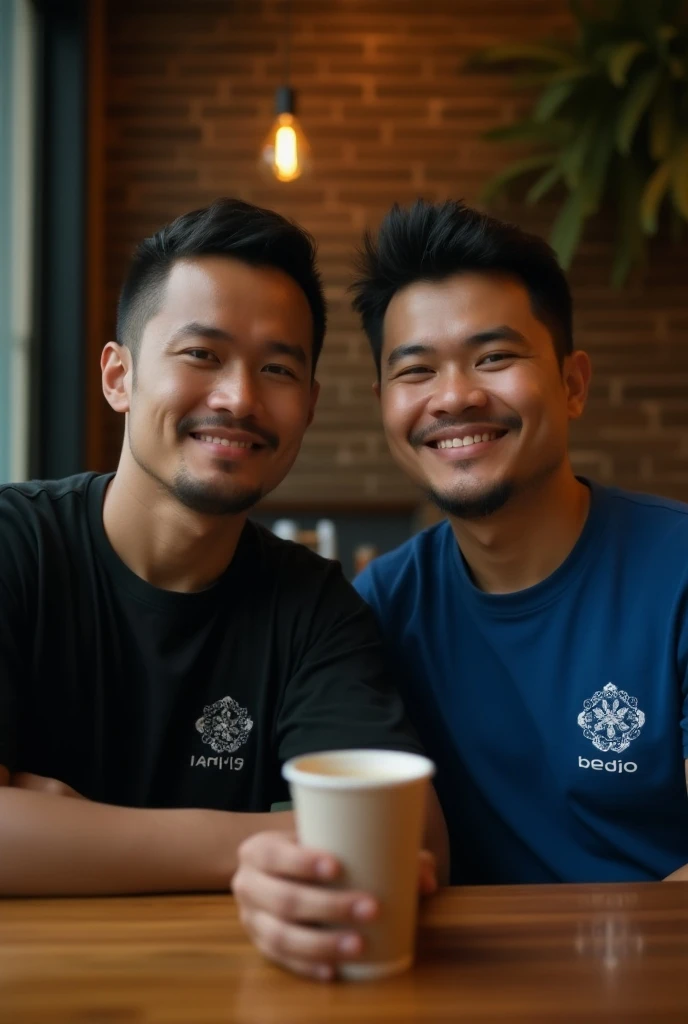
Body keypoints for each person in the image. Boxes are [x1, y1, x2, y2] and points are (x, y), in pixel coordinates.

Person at [235, 197, 688, 974]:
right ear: (385, 406)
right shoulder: (379, 610)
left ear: (573, 384)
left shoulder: (675, 568)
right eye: (415, 370)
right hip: (457, 985)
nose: (453, 397)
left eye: (493, 357)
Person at [0, 199, 449, 955]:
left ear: (307, 406)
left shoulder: (315, 605)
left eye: (276, 368)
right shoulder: (17, 546)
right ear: (120, 375)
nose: (239, 398)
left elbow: (409, 845)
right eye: (201, 354)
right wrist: (254, 845)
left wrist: (64, 829)